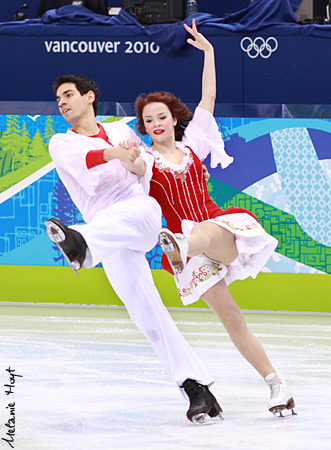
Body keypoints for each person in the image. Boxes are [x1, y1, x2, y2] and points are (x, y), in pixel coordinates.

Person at [125, 20, 296, 418]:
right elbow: (129, 164)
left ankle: (181, 246)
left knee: (195, 232)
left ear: (172, 118)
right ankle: (277, 385)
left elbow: (210, 95)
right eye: (149, 121)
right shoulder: (146, 161)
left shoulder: (194, 144)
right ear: (146, 128)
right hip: (193, 258)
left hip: (218, 231)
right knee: (232, 318)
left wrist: (209, 52)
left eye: (161, 116)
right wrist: (127, 149)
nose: (156, 124)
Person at [44, 74, 223, 425]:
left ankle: (80, 244)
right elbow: (92, 159)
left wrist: (131, 159)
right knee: (147, 316)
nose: (62, 102)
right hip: (105, 230)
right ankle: (196, 388)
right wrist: (118, 154)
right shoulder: (60, 143)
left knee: (140, 210)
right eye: (59, 99)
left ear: (89, 97)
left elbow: (141, 169)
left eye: (68, 95)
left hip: (137, 213)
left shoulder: (122, 130)